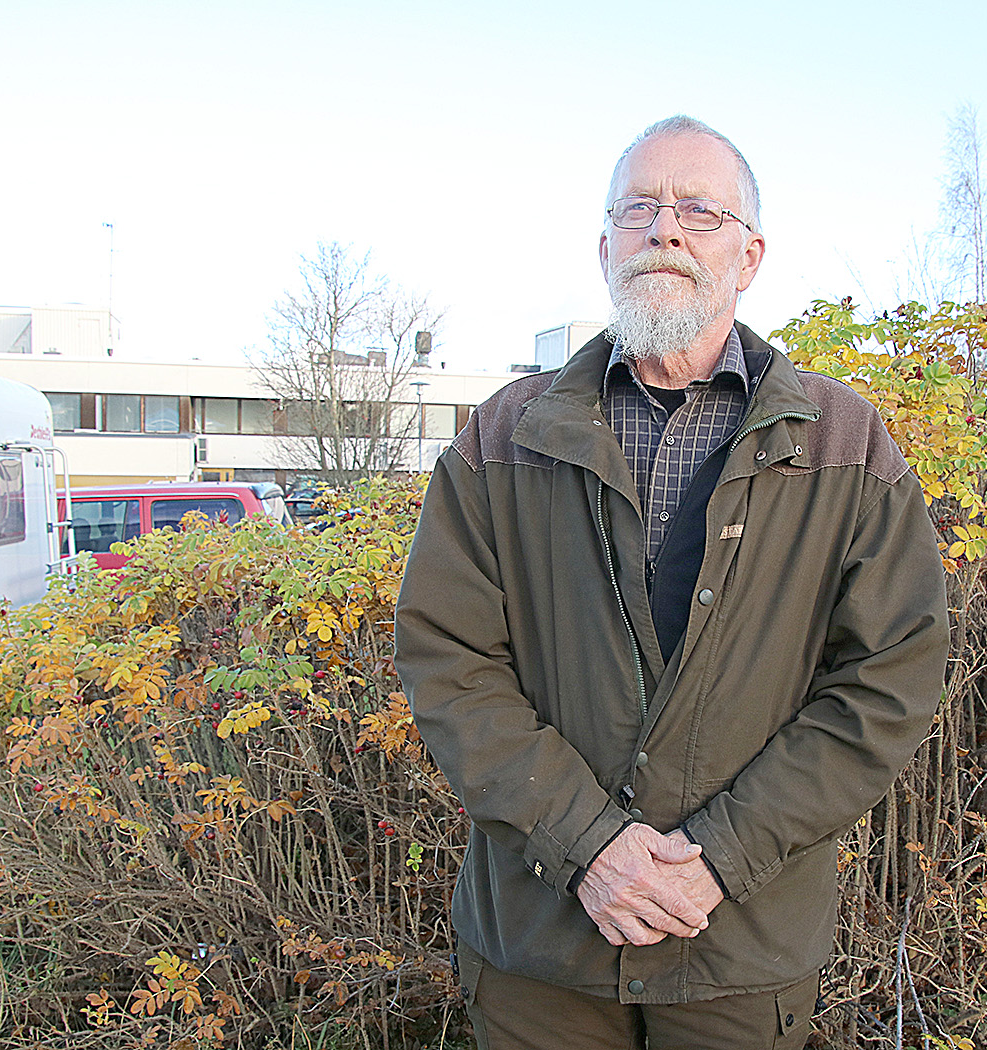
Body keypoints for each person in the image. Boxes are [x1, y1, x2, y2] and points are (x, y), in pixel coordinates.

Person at [394, 115, 949, 1049]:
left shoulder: (845, 443)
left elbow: (890, 678)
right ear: (604, 243)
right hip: (542, 952)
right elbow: (449, 662)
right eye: (639, 208)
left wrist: (720, 856)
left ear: (750, 253)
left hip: (739, 948)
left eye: (700, 209)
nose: (666, 230)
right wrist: (585, 847)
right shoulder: (502, 439)